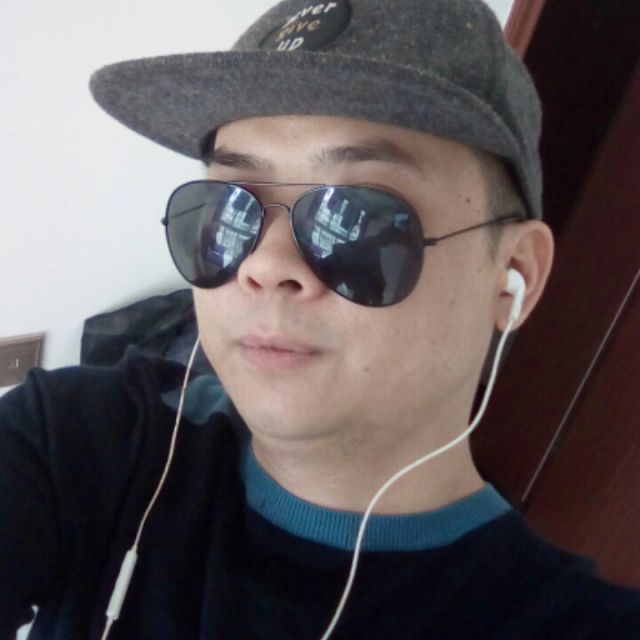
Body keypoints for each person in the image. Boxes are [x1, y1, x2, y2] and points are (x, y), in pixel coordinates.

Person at [1, 0, 639, 638]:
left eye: (356, 216)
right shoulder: (75, 444)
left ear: (512, 275)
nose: (264, 264)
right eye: (230, 206)